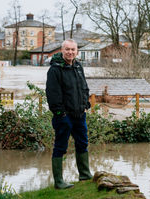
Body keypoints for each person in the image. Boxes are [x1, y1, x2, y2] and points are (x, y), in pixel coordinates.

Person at [46, 39, 92, 189]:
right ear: (62, 50)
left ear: (77, 51)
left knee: (83, 143)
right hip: (64, 117)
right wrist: (61, 114)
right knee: (60, 147)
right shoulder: (55, 69)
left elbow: (84, 87)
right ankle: (59, 182)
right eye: (67, 49)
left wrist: (86, 105)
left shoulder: (78, 66)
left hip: (80, 115)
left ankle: (84, 175)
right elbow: (52, 95)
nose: (70, 52)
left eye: (73, 49)